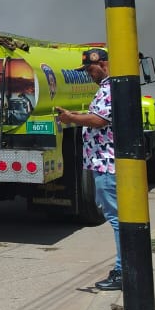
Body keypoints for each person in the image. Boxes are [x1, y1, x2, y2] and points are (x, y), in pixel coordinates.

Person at [54, 48, 122, 291]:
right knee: (117, 218)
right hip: (105, 162)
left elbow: (100, 120)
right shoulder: (109, 87)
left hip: (106, 163)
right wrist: (75, 115)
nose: (88, 74)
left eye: (90, 69)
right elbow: (97, 116)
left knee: (116, 219)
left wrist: (72, 119)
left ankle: (124, 270)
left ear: (102, 63)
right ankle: (126, 267)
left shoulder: (110, 87)